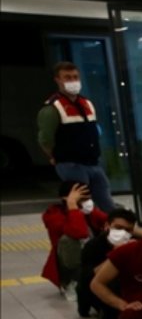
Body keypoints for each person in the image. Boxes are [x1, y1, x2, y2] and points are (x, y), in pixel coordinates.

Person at [37, 61, 114, 212]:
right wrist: (54, 156)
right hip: (71, 164)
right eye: (67, 77)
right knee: (83, 206)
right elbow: (45, 139)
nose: (73, 81)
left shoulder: (86, 103)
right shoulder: (53, 108)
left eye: (75, 77)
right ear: (58, 80)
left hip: (93, 163)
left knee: (107, 203)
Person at [41, 181, 101, 297]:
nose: (87, 202)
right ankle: (72, 282)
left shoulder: (87, 211)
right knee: (69, 240)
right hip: (70, 264)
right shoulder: (53, 215)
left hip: (91, 261)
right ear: (66, 198)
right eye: (82, 199)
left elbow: (110, 221)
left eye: (88, 198)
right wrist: (73, 206)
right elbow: (79, 233)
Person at [79, 208, 136, 319]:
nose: (123, 233)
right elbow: (87, 276)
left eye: (128, 230)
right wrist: (116, 254)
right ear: (107, 226)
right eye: (118, 228)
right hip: (98, 288)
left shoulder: (134, 243)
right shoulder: (93, 245)